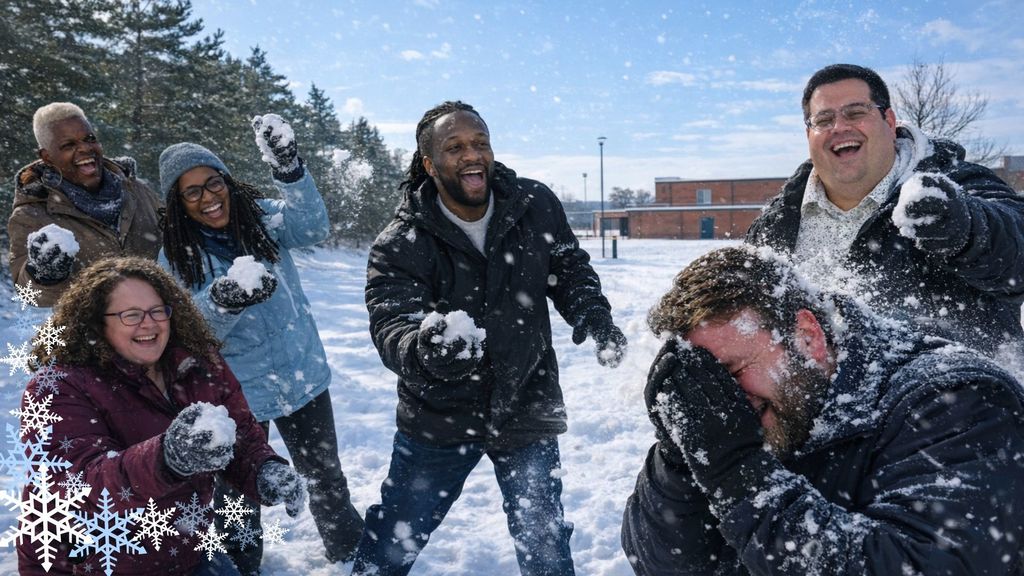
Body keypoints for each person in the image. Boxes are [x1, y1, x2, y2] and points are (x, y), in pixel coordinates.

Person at [619, 246, 1024, 575]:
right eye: (706, 383)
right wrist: (679, 455)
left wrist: (737, 473)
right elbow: (664, 563)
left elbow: (926, 565)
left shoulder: (956, 401)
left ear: (807, 336)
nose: (721, 400)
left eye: (733, 372)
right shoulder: (758, 413)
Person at [355, 100, 628, 576]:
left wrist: (594, 315)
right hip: (439, 416)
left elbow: (569, 269)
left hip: (527, 401)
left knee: (544, 541)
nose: (471, 155)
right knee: (394, 540)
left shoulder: (535, 204)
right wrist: (426, 351)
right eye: (455, 146)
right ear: (428, 163)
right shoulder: (401, 241)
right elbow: (390, 325)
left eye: (480, 143)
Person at [157, 114, 363, 573]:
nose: (208, 197)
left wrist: (289, 168)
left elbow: (312, 229)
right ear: (178, 203)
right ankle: (241, 565)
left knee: (326, 477)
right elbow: (184, 335)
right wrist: (223, 300)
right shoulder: (174, 256)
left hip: (302, 376)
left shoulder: (264, 219)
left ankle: (350, 552)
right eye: (192, 192)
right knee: (238, 493)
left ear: (226, 181)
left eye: (213, 183)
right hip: (238, 393)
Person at [17, 257, 306, 575]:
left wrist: (263, 469)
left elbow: (237, 433)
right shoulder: (58, 386)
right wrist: (166, 458)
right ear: (97, 322)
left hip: (183, 550)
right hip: (92, 564)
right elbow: (79, 486)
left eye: (158, 311)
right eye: (131, 315)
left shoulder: (197, 364)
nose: (149, 323)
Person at [746, 63, 1024, 355]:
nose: (839, 127)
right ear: (808, 135)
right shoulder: (777, 222)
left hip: (958, 393)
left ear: (889, 122)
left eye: (855, 113)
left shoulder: (955, 183)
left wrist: (966, 230)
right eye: (824, 119)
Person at [7, 102, 162, 307]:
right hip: (88, 335)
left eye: (90, 139)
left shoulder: (137, 191)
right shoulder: (31, 215)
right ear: (47, 157)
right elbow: (28, 297)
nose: (85, 149)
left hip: (154, 325)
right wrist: (43, 275)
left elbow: (178, 243)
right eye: (68, 145)